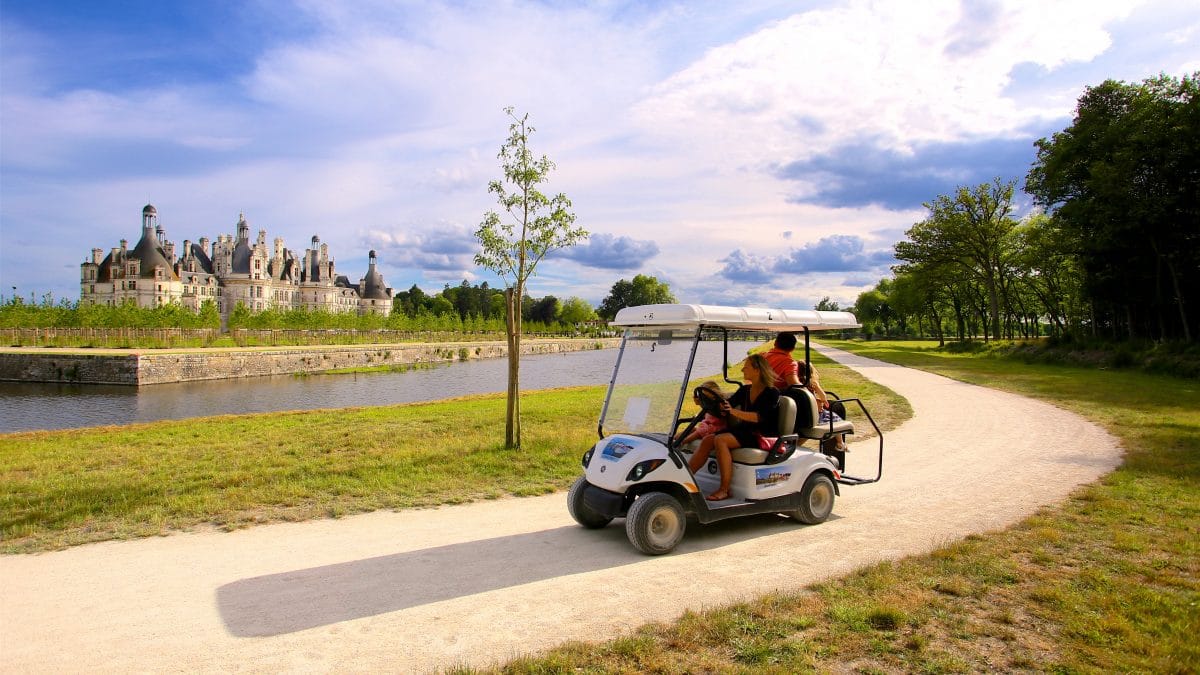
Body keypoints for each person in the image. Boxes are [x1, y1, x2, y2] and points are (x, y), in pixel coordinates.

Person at [687, 353, 780, 501]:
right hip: (745, 432)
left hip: (761, 435)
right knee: (708, 440)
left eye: (746, 367)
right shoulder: (745, 390)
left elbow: (758, 417)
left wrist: (733, 411)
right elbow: (726, 404)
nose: (743, 370)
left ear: (757, 370)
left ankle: (724, 490)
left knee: (721, 440)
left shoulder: (772, 393)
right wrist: (707, 403)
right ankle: (684, 480)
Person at [675, 380, 728, 446]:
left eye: (705, 398)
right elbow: (706, 408)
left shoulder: (721, 402)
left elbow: (724, 413)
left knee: (700, 431)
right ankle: (674, 438)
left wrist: (722, 410)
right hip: (707, 425)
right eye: (703, 398)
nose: (704, 400)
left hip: (717, 427)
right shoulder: (707, 403)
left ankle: (682, 442)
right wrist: (698, 402)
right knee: (693, 429)